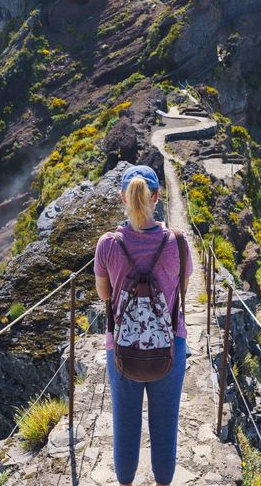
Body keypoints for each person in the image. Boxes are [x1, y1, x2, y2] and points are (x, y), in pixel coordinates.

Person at [94, 163, 192, 486]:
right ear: (157, 197)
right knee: (165, 427)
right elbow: (182, 292)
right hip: (168, 350)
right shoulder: (177, 242)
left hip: (122, 351)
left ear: (123, 197)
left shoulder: (107, 245)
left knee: (125, 426)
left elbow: (105, 296)